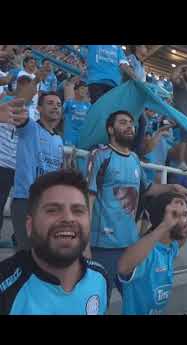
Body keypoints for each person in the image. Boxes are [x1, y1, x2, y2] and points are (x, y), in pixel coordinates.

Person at [86, 110, 187, 294]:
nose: (129, 126)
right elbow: (88, 200)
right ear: (111, 130)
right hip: (103, 247)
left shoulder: (135, 159)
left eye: (131, 122)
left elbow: (147, 189)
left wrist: (173, 187)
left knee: (137, 299)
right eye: (122, 122)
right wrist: (84, 243)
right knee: (97, 301)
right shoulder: (100, 155)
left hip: (130, 243)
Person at [0, 170, 110, 315]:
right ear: (29, 226)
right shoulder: (5, 290)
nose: (68, 218)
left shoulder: (100, 278)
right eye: (53, 210)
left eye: (78, 210)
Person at [117, 192, 187, 315]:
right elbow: (123, 267)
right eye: (183, 215)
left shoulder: (169, 247)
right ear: (166, 217)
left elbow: (181, 242)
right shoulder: (146, 252)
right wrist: (165, 225)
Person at [0, 92, 63, 252]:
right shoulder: (30, 128)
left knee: (44, 255)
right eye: (50, 103)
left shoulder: (59, 140)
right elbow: (23, 121)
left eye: (58, 104)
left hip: (47, 203)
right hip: (25, 202)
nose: (55, 106)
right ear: (39, 108)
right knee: (27, 255)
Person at [0, 76, 38, 241]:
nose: (33, 92)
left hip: (15, 166)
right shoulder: (5, 102)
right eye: (30, 87)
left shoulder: (33, 112)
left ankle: (19, 237)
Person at [63, 76, 91, 147]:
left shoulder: (88, 106)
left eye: (86, 90)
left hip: (82, 135)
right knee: (67, 155)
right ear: (75, 90)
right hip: (70, 135)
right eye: (82, 89)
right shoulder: (69, 103)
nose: (84, 91)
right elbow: (59, 114)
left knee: (80, 155)